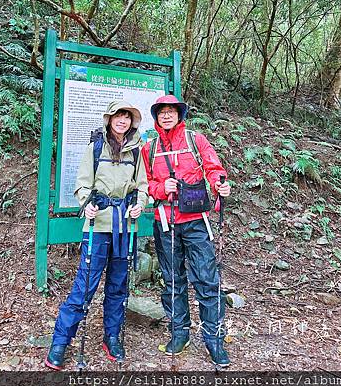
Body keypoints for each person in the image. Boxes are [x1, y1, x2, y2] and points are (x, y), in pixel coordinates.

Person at [45, 100, 148, 370]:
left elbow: (143, 186)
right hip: (97, 225)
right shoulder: (96, 147)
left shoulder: (137, 152)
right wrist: (86, 203)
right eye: (118, 116)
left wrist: (140, 204)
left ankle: (112, 336)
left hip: (126, 226)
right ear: (109, 119)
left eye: (127, 117)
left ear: (131, 122)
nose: (122, 121)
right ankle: (61, 341)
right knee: (85, 285)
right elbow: (82, 184)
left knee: (118, 286)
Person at [141, 94, 231, 367]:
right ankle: (179, 333)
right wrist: (160, 188)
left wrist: (220, 185)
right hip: (165, 221)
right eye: (162, 112)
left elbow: (214, 168)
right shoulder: (150, 148)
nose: (166, 115)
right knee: (172, 279)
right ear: (156, 116)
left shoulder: (196, 140)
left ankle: (214, 339)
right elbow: (144, 184)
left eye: (171, 111)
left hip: (195, 220)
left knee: (206, 278)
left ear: (180, 114)